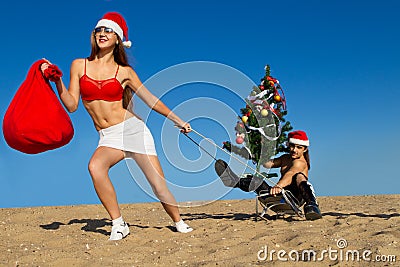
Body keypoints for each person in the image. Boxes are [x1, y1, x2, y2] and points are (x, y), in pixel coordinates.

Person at [41, 12, 193, 240]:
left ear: (118, 39)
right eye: (99, 30)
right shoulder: (78, 65)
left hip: (133, 131)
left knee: (158, 186)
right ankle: (119, 223)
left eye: (108, 31)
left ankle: (178, 221)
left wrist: (178, 120)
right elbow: (72, 105)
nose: (102, 34)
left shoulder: (125, 72)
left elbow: (150, 99)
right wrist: (57, 81)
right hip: (109, 136)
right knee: (95, 167)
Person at [216, 130, 322, 220]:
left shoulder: (300, 162)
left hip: (294, 198)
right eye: (292, 146)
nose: (294, 150)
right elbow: (268, 164)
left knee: (299, 176)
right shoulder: (285, 158)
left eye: (299, 147)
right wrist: (257, 155)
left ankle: (312, 205)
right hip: (280, 197)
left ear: (305, 149)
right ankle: (234, 181)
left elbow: (290, 174)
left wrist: (278, 186)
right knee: (257, 181)